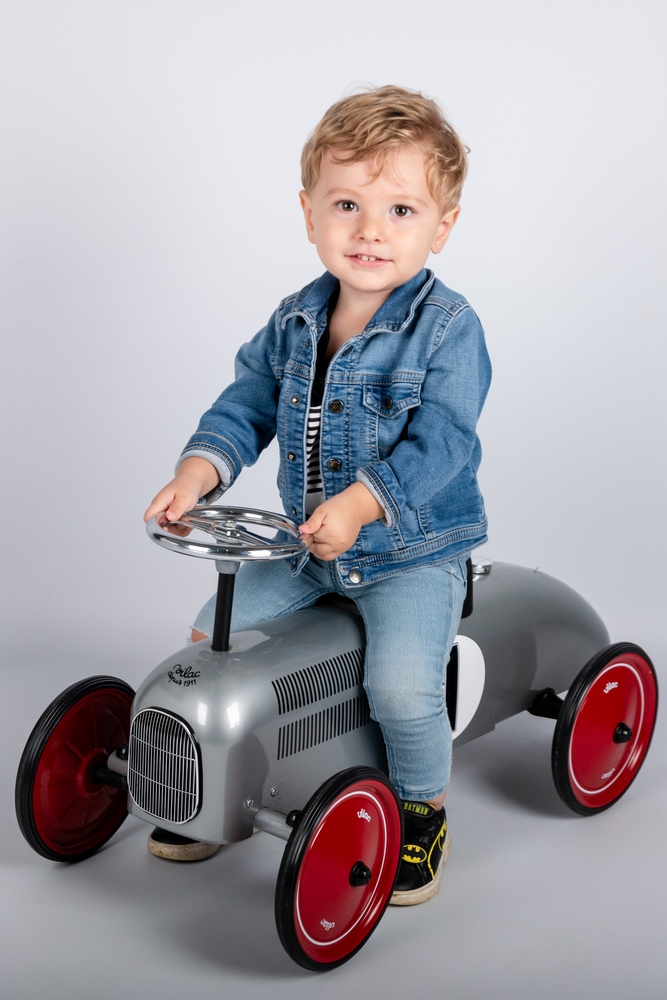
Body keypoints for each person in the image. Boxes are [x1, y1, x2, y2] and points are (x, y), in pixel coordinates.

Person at [144, 85, 491, 904]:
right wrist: (199, 471)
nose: (371, 231)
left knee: (402, 687)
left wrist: (365, 504)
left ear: (442, 226)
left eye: (401, 210)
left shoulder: (448, 328)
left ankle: (421, 807)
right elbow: (247, 404)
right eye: (347, 204)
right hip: (306, 545)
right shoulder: (294, 319)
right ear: (309, 214)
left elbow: (445, 441)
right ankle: (223, 782)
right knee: (208, 641)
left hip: (408, 552)